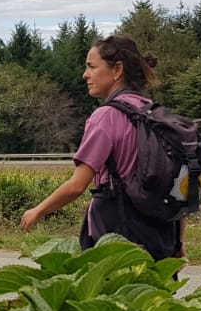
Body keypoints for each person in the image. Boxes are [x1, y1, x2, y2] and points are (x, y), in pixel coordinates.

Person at [21, 34, 184, 260]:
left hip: (116, 235)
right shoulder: (156, 114)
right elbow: (173, 183)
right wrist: (178, 242)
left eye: (91, 67)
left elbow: (77, 185)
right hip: (161, 237)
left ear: (117, 70)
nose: (85, 74)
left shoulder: (107, 116)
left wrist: (39, 210)